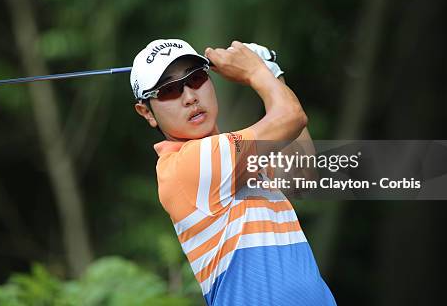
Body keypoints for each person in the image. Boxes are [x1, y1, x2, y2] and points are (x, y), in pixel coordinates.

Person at [131, 39, 336, 305]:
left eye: (196, 78)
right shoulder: (186, 165)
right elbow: (291, 117)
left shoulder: (232, 158)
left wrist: (269, 70)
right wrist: (256, 72)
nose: (190, 97)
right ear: (146, 112)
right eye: (169, 90)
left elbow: (300, 177)